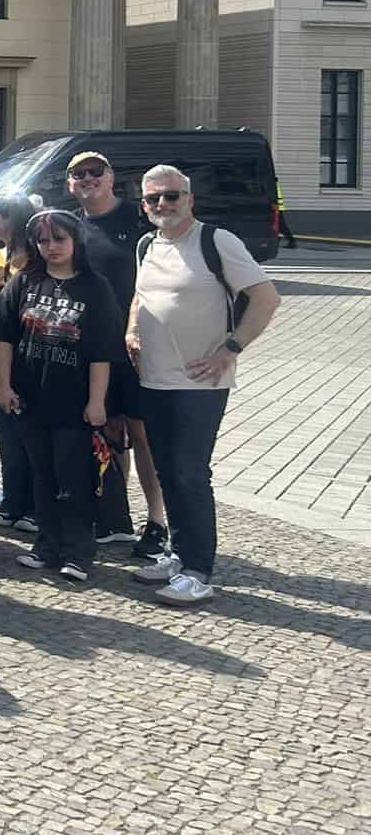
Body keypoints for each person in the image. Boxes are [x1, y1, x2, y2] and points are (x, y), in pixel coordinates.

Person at [126, 164, 281, 607]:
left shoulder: (216, 242)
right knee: (166, 472)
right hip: (154, 378)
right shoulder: (147, 245)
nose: (162, 205)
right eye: (153, 198)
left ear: (189, 199)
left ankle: (199, 571)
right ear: (144, 205)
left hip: (200, 383)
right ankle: (178, 553)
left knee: (191, 474)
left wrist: (229, 349)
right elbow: (142, 295)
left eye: (171, 196)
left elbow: (266, 298)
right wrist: (131, 329)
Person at [0, 209, 123, 582]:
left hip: (75, 402)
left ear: (75, 241)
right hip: (31, 397)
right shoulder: (25, 282)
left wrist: (97, 402)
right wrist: (3, 385)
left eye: (58, 239)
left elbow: (102, 352)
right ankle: (47, 545)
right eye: (43, 241)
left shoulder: (95, 288)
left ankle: (79, 550)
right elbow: (4, 338)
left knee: (74, 477)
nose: (51, 247)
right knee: (42, 474)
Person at [67, 149, 168, 560]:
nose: (88, 178)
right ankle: (115, 515)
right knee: (107, 435)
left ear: (111, 177)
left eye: (96, 171)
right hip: (91, 349)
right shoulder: (68, 227)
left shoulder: (139, 221)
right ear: (69, 183)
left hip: (138, 346)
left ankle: (158, 521)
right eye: (79, 174)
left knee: (144, 436)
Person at [0, 195, 38, 532]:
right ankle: (12, 502)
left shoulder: (35, 258)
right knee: (7, 431)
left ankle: (33, 506)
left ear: (12, 219)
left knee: (28, 430)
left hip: (24, 353)